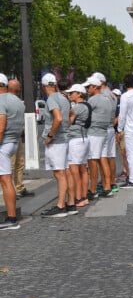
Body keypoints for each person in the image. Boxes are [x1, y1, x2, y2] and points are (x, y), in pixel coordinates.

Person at [40, 74, 75, 218]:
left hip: (57, 141)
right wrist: (66, 127)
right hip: (64, 139)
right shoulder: (64, 98)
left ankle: (60, 206)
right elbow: (72, 114)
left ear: (43, 86)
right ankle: (71, 203)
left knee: (59, 173)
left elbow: (58, 118)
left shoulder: (53, 98)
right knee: (66, 171)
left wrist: (50, 135)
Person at [0, 74, 25, 230]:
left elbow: (1, 125)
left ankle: (11, 218)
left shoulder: (1, 101)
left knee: (5, 180)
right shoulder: (17, 101)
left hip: (3, 144)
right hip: (13, 141)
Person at [84, 76, 114, 199]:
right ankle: (107, 187)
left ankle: (93, 189)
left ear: (95, 87)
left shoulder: (93, 100)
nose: (86, 89)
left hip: (94, 132)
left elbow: (85, 114)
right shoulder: (107, 99)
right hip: (104, 131)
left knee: (92, 161)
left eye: (88, 86)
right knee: (103, 159)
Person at [7, 79, 34, 199]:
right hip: (8, 136)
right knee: (11, 164)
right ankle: (11, 188)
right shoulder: (5, 101)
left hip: (16, 135)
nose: (20, 88)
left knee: (19, 163)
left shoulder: (17, 101)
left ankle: (19, 187)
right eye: (18, 86)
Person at [92, 72, 118, 193]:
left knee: (101, 158)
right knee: (110, 157)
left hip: (102, 128)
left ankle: (104, 183)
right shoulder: (112, 94)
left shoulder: (101, 95)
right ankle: (112, 182)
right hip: (110, 127)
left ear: (100, 83)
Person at [66, 84, 91, 207]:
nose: (70, 95)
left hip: (76, 139)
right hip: (83, 138)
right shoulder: (86, 105)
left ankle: (78, 197)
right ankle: (84, 196)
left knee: (74, 169)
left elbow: (68, 121)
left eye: (72, 93)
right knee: (82, 169)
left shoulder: (79, 107)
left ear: (79, 94)